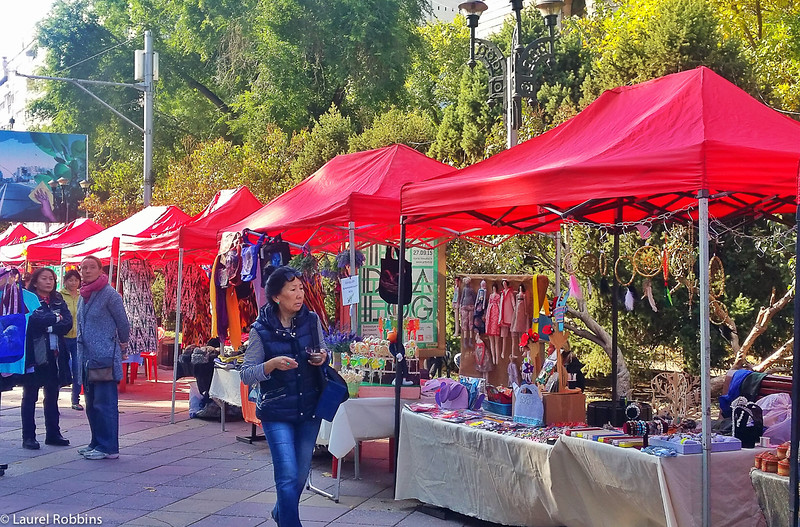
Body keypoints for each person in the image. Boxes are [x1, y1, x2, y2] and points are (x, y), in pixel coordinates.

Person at [240, 266, 327, 527]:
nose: (300, 294)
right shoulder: (261, 330)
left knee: (300, 475)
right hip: (277, 410)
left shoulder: (311, 321)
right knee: (287, 475)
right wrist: (271, 364)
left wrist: (322, 357)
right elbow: (246, 374)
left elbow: (323, 350)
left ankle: (281, 512)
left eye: (301, 288)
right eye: (293, 289)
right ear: (277, 297)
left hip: (309, 407)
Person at [76, 255, 130, 460]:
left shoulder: (110, 294)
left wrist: (122, 342)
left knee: (105, 403)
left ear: (101, 270)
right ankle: (96, 441)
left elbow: (123, 323)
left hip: (105, 355)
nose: (86, 271)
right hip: (86, 357)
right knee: (91, 403)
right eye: (83, 268)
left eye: (91, 267)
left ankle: (109, 447)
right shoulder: (84, 295)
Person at [21, 267, 73, 450]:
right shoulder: (28, 298)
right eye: (45, 278)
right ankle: (29, 436)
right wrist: (54, 319)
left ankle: (53, 433)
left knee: (52, 395)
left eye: (51, 278)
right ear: (36, 281)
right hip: (35, 354)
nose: (49, 282)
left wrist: (52, 324)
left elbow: (68, 322)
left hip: (55, 354)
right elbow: (35, 320)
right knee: (30, 396)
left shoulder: (58, 299)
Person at [61, 269, 82, 410]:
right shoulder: (59, 296)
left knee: (78, 368)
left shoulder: (83, 295)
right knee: (61, 369)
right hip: (63, 337)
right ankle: (52, 399)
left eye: (76, 280)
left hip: (78, 338)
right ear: (65, 282)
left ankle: (75, 400)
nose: (73, 283)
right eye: (70, 280)